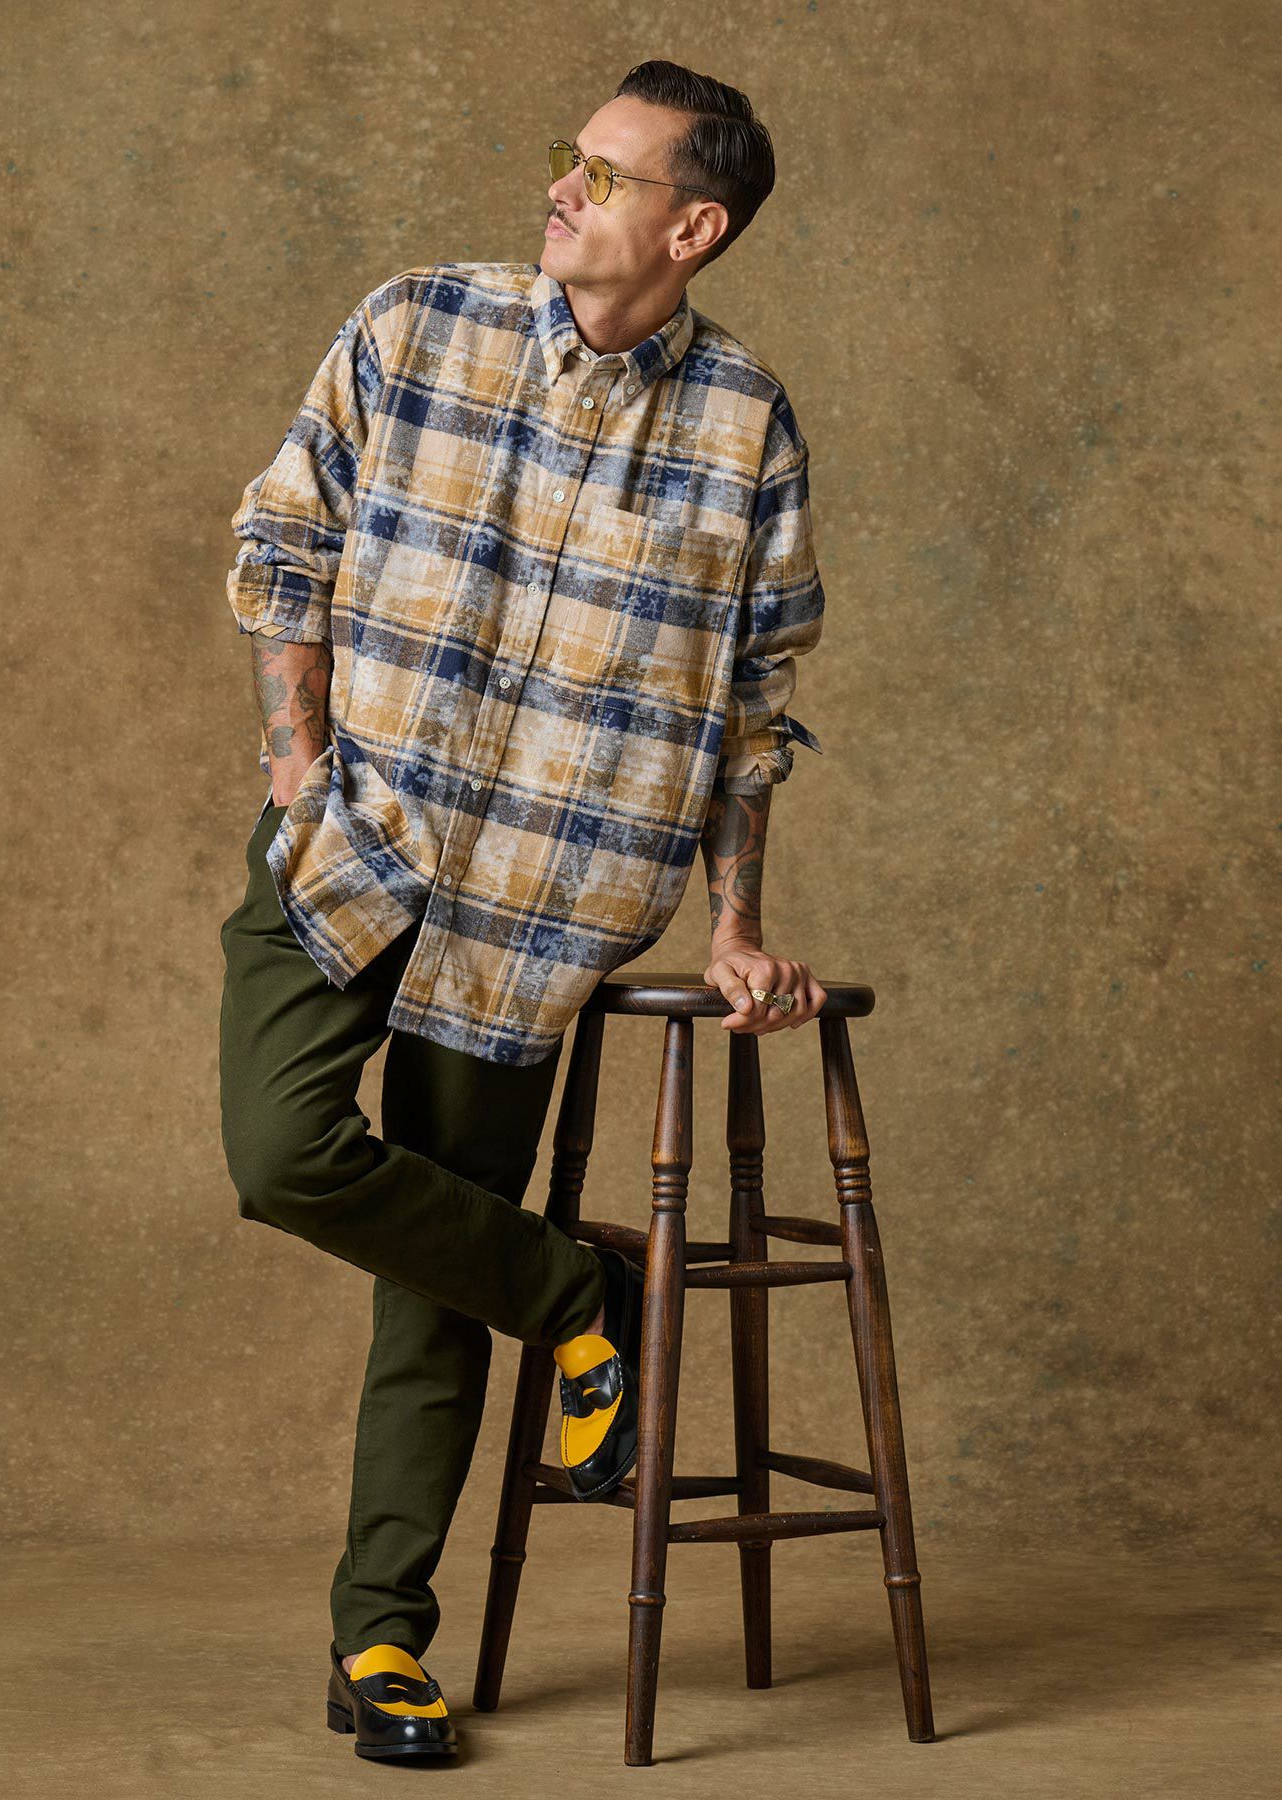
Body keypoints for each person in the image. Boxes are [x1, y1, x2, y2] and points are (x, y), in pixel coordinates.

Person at [218, 58, 828, 1764]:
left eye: (609, 174)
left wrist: (733, 927)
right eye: (573, 156)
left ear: (694, 228)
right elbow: (284, 544)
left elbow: (754, 711)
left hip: (546, 902)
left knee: (434, 1282)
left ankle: (379, 1642)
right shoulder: (417, 323)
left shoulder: (745, 426)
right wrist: (298, 768)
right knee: (283, 1152)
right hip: (351, 845)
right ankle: (577, 1295)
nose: (565, 186)